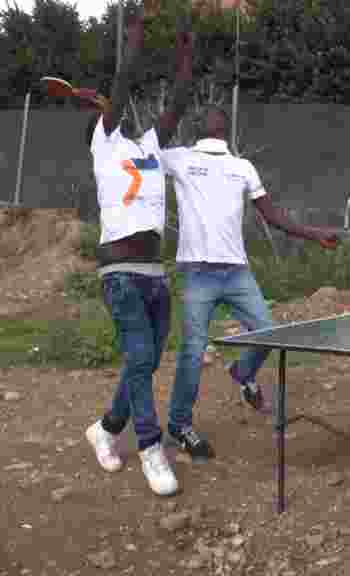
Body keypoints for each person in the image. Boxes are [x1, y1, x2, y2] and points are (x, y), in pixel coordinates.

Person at [158, 106, 340, 461]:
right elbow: (144, 149)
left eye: (218, 117)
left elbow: (271, 214)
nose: (213, 119)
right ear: (198, 127)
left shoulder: (242, 167)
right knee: (193, 351)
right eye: (208, 117)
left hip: (237, 272)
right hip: (198, 273)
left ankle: (243, 372)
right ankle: (180, 425)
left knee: (266, 331)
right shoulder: (178, 158)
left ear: (225, 128)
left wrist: (314, 234)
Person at [82, 4, 192, 496]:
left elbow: (180, 101)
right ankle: (150, 447)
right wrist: (135, 38)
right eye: (108, 114)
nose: (115, 112)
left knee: (142, 361)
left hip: (154, 272)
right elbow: (123, 81)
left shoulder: (147, 145)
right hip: (121, 272)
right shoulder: (104, 146)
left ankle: (106, 429)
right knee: (143, 355)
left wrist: (185, 55)